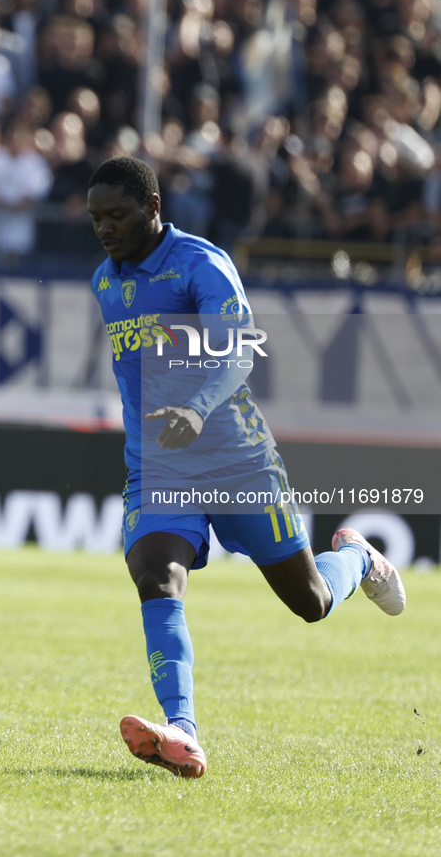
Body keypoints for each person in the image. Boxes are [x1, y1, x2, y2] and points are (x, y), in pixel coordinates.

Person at [87, 156, 406, 779]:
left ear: (154, 208)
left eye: (117, 215)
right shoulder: (105, 279)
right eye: (97, 217)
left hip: (236, 458)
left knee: (310, 602)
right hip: (159, 468)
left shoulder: (201, 265)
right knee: (155, 575)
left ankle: (359, 558)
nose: (105, 228)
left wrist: (197, 410)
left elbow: (237, 354)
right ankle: (182, 729)